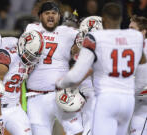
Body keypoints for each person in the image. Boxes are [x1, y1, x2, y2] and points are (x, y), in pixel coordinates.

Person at [56, 2, 147, 135]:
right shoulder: (134, 39)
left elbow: (76, 75)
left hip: (107, 98)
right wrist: (133, 91)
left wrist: (61, 83)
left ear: (103, 20)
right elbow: (143, 69)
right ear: (121, 19)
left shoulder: (95, 38)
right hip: (127, 100)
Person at [25, 1, 83, 135]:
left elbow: (85, 42)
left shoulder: (69, 32)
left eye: (54, 13)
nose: (50, 16)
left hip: (61, 94)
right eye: (47, 13)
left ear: (59, 16)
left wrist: (78, 46)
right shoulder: (31, 29)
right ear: (40, 16)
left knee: (76, 131)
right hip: (36, 96)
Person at [0, 32, 43, 135]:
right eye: (28, 55)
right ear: (21, 45)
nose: (30, 59)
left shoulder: (33, 58)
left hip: (14, 107)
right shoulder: (7, 55)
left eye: (32, 56)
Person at [128, 15, 147, 135]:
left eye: (132, 29)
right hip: (132, 105)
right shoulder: (128, 48)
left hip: (143, 107)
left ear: (143, 32)